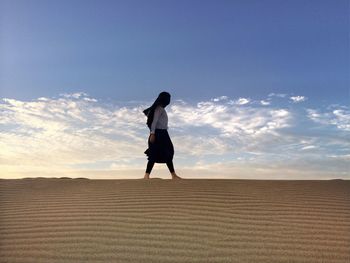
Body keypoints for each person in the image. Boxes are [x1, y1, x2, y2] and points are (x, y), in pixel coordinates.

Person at [142, 91, 182, 179]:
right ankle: (146, 175)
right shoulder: (159, 108)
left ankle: (173, 175)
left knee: (168, 152)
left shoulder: (160, 109)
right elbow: (154, 121)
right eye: (168, 98)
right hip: (158, 133)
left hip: (163, 133)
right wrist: (152, 133)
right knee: (154, 154)